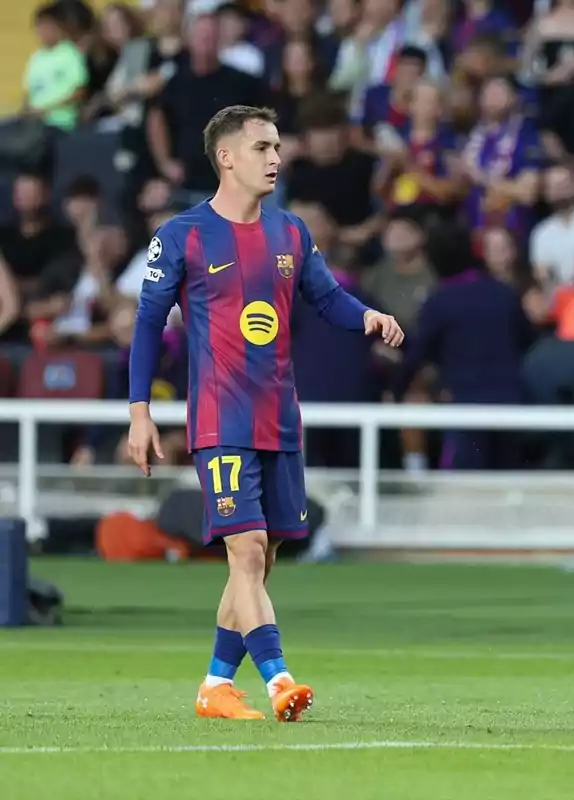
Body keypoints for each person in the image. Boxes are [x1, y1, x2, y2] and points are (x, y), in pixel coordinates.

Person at [126, 105, 404, 722]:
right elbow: (147, 324)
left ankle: (216, 686)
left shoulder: (291, 232)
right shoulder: (182, 236)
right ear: (227, 157)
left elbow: (326, 297)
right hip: (219, 418)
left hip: (280, 416)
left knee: (264, 556)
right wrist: (139, 411)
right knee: (245, 552)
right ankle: (279, 679)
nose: (275, 158)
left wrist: (368, 316)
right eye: (262, 147)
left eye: (277, 146)